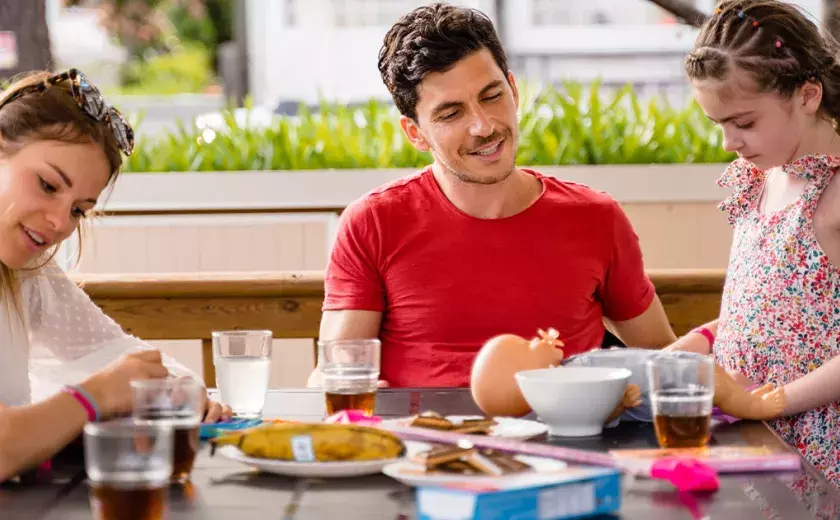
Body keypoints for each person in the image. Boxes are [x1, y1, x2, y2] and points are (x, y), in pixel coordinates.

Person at [310, 3, 676, 389]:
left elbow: (662, 358)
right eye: (451, 114)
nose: (483, 126)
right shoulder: (373, 222)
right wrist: (342, 389)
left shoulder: (596, 217)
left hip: (567, 441)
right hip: (426, 441)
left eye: (491, 96)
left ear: (514, 90)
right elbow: (331, 376)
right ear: (415, 133)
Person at [0, 69, 231, 481]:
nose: (58, 222)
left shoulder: (29, 274)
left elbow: (121, 355)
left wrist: (182, 391)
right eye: (48, 185)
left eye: (77, 210)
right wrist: (97, 396)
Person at [665, 0, 840, 490]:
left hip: (819, 452)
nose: (728, 142)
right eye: (717, 124)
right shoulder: (760, 181)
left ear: (808, 95)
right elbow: (772, 309)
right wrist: (696, 344)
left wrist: (773, 401)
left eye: (743, 122)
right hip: (755, 442)